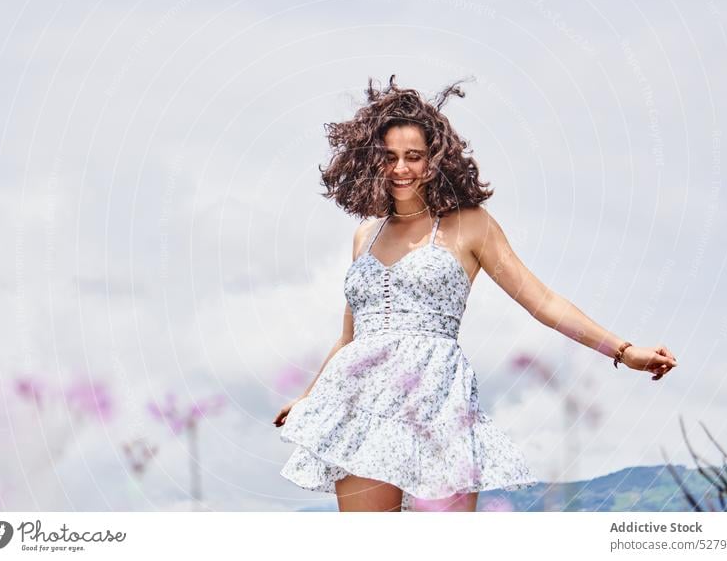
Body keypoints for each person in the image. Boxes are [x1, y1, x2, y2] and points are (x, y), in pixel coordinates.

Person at [273, 75, 678, 512]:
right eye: (388, 157)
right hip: (360, 407)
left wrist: (624, 350)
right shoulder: (365, 236)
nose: (400, 168)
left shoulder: (470, 225)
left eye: (413, 156)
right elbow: (351, 339)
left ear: (435, 160)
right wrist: (311, 398)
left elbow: (542, 301)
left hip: (437, 398)